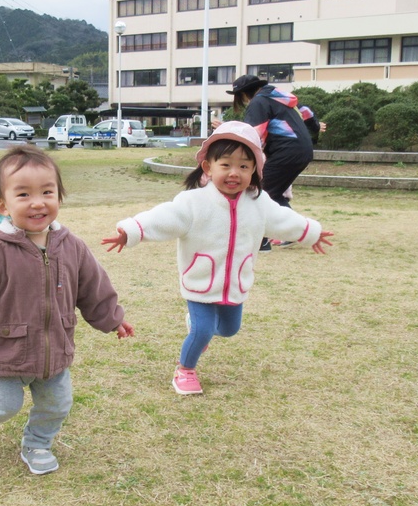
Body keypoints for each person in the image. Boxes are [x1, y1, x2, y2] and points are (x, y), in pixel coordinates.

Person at [0, 144, 134, 474]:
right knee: (2, 407)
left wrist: (112, 318)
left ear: (59, 196)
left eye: (47, 192)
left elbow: (93, 286)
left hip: (54, 348)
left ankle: (37, 443)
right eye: (24, 194)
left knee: (58, 403)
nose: (37, 202)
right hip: (3, 350)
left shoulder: (70, 245)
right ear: (2, 205)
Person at [101, 121, 333, 395]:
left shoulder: (259, 203)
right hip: (201, 280)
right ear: (208, 168)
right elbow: (162, 217)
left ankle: (199, 329)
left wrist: (310, 232)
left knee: (229, 329)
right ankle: (185, 370)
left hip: (236, 282)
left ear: (255, 171)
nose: (235, 173)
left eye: (244, 166)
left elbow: (284, 219)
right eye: (226, 165)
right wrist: (131, 231)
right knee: (202, 329)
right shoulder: (193, 203)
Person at [229, 74, 315, 252]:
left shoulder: (259, 102)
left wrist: (236, 158)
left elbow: (253, 135)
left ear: (244, 94)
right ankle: (294, 232)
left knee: (258, 193)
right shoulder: (279, 98)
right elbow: (308, 116)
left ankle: (263, 241)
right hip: (301, 149)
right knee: (271, 192)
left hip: (286, 151)